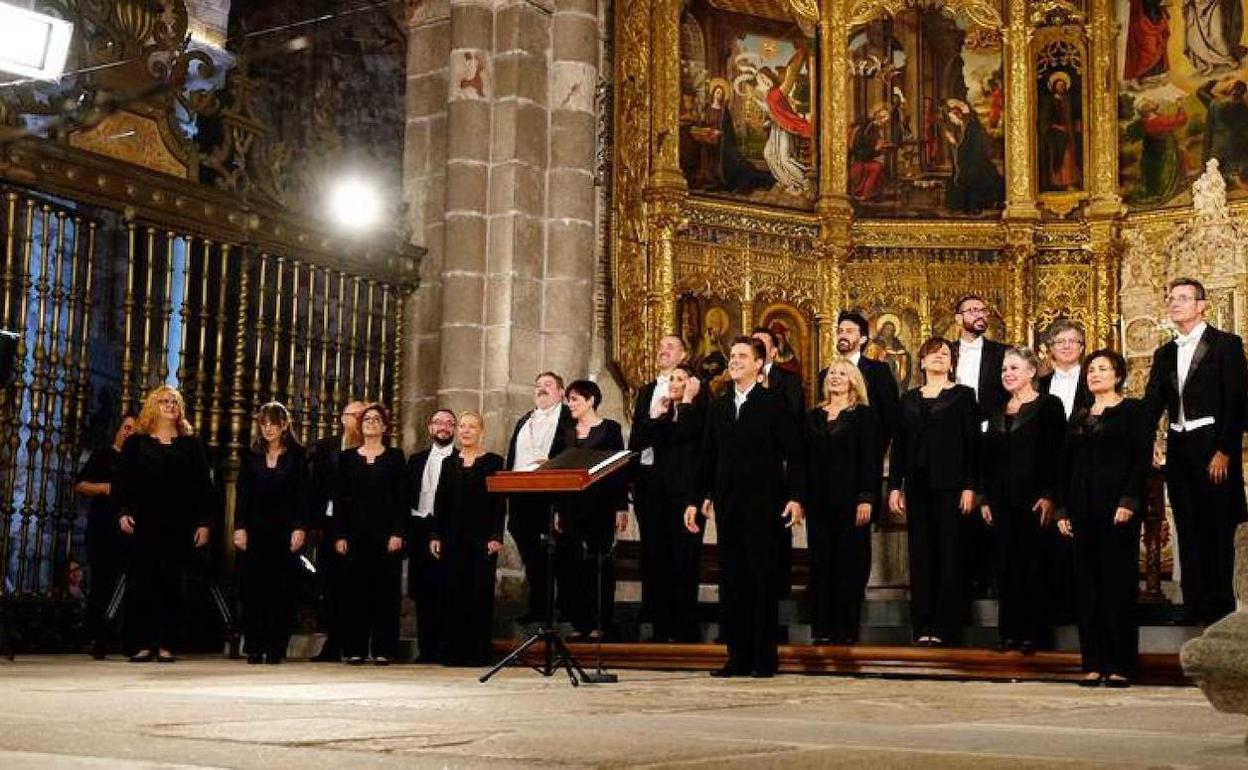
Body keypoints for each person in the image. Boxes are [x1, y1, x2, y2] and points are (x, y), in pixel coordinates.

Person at [686, 336, 805, 677]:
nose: (734, 360)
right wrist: (697, 498)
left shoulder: (774, 403)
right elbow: (707, 457)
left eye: (742, 356)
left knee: (761, 580)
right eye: (732, 356)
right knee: (733, 581)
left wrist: (796, 496)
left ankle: (764, 658)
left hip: (765, 505)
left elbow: (795, 453)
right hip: (728, 506)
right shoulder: (720, 406)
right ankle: (737, 657)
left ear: (758, 364)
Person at [1144, 278, 1247, 625]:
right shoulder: (1165, 352)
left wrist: (1224, 451)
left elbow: (1236, 402)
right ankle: (1194, 606)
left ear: (1202, 305)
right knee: (1187, 527)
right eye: (1171, 298)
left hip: (1213, 447)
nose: (1175, 304)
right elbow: (1152, 403)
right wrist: (1147, 442)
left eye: (1183, 298)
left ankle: (1221, 609)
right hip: (1180, 447)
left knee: (1219, 528)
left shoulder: (1226, 345)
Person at [1059, 350, 1153, 687]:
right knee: (1087, 587)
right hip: (1080, 509)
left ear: (1118, 375)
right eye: (1091, 370)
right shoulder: (1079, 416)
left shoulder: (1133, 411)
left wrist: (1129, 499)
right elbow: (1065, 467)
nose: (1095, 374)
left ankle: (1120, 664)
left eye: (1102, 369)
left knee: (1117, 585)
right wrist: (1063, 510)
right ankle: (1093, 662)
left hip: (1117, 509)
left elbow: (1140, 460)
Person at [115, 385, 215, 663]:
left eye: (174, 401)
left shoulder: (191, 445)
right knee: (141, 582)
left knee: (173, 584)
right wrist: (123, 512)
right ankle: (142, 643)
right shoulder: (137, 443)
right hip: (144, 522)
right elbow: (123, 483)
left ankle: (168, 643)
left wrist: (204, 523)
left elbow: (203, 489)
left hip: (179, 524)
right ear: (152, 407)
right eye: (164, 401)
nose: (170, 406)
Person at [888, 337, 979, 646]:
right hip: (917, 485)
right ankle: (922, 625)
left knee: (949, 554)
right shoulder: (909, 398)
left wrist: (970, 486)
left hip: (951, 485)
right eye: (932, 353)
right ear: (922, 362)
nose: (939, 357)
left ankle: (945, 626)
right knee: (921, 554)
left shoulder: (965, 396)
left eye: (945, 354)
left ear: (952, 362)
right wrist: (894, 487)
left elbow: (972, 446)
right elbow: (899, 446)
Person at [979, 347, 1065, 654]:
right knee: (1006, 568)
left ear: (1032, 372)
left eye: (1014, 368)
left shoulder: (1049, 406)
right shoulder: (996, 410)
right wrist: (985, 498)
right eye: (1004, 369)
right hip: (1001, 501)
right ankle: (1010, 634)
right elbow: (985, 460)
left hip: (1034, 500)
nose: (1008, 374)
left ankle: (1035, 634)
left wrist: (1049, 495)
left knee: (1034, 567)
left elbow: (1057, 455)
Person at [804, 359, 881, 645]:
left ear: (853, 381)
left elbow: (870, 460)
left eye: (842, 374)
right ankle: (821, 629)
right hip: (818, 502)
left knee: (850, 565)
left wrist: (866, 498)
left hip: (851, 502)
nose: (835, 378)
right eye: (832, 374)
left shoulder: (863, 415)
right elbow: (803, 461)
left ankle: (845, 629)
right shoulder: (812, 416)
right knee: (821, 563)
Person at [233, 402, 309, 664]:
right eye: (264, 423)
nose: (268, 428)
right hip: (255, 529)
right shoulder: (250, 455)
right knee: (254, 589)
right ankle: (254, 645)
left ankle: (276, 646)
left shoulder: (298, 456)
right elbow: (242, 494)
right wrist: (239, 527)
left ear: (284, 425)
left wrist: (300, 527)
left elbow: (303, 497)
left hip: (285, 531)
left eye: (273, 423)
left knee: (282, 590)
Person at [332, 403, 407, 665]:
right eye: (367, 420)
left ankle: (384, 648)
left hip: (386, 536)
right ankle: (355, 648)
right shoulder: (347, 458)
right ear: (360, 426)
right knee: (354, 593)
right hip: (354, 535)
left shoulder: (396, 457)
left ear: (385, 427)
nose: (372, 423)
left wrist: (398, 532)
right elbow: (340, 499)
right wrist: (339, 534)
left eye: (377, 420)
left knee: (385, 594)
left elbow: (402, 499)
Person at [429, 412, 506, 666]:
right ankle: (453, 652)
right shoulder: (449, 463)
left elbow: (499, 502)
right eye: (462, 426)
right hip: (452, 537)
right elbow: (440, 500)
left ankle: (477, 652)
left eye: (471, 427)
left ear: (481, 431)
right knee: (452, 592)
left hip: (482, 538)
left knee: (479, 593)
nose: (466, 431)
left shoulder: (494, 461)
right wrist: (436, 534)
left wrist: (496, 534)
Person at [628, 335, 693, 629]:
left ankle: (679, 615)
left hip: (678, 482)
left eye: (671, 347)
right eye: (661, 346)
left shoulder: (693, 390)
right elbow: (637, 439)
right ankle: (652, 608)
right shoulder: (645, 392)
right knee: (651, 547)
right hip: (648, 480)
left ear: (684, 355)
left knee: (679, 549)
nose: (663, 350)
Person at [558, 380, 629, 641]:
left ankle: (601, 623)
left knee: (600, 564)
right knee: (574, 565)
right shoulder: (567, 432)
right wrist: (557, 509)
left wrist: (621, 506)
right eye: (569, 399)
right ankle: (580, 623)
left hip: (601, 506)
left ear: (590, 401)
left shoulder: (611, 429)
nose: (570, 404)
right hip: (571, 506)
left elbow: (619, 470)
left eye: (575, 399)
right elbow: (559, 469)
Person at [505, 372, 576, 624]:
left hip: (551, 494)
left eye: (548, 385)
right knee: (532, 554)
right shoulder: (525, 419)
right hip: (521, 494)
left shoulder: (569, 419)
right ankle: (538, 608)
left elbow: (573, 455)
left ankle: (564, 608)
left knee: (558, 554)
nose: (542, 389)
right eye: (538, 386)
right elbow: (512, 456)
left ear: (561, 392)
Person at [645, 362, 707, 642]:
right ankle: (662, 627)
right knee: (660, 561)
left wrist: (688, 403)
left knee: (685, 562)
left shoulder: (699, 414)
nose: (672, 383)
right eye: (671, 378)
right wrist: (655, 417)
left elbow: (691, 443)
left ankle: (684, 629)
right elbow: (644, 445)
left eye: (680, 379)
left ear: (691, 385)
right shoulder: (664, 413)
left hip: (687, 497)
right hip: (659, 497)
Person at [75, 413, 136, 659]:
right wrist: (105, 488)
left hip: (127, 531)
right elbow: (81, 485)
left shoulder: (137, 461)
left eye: (134, 429)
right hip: (102, 528)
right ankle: (96, 635)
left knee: (125, 585)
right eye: (126, 427)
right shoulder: (103, 455)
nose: (129, 432)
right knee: (101, 582)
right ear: (118, 429)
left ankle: (117, 635)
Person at [308, 401, 365, 661]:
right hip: (329, 524)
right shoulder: (325, 447)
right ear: (342, 419)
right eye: (352, 415)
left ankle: (354, 643)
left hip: (360, 526)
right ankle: (332, 642)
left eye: (362, 415)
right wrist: (316, 523)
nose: (357, 420)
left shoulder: (372, 447)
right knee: (330, 585)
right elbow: (315, 485)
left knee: (355, 586)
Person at [406, 409, 456, 663]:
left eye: (449, 423)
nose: (443, 427)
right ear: (430, 427)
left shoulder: (460, 459)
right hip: (419, 527)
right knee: (422, 590)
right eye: (438, 422)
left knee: (445, 588)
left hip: (447, 528)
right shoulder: (416, 459)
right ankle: (426, 649)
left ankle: (445, 648)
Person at [819, 310, 900, 462]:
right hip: (831, 458)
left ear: (863, 339)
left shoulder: (879, 372)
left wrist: (875, 452)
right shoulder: (825, 374)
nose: (843, 335)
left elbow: (890, 416)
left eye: (849, 331)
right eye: (840, 331)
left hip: (868, 457)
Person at [1038, 319, 1092, 420]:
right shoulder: (1039, 384)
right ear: (1051, 348)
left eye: (1072, 341)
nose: (1066, 346)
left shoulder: (1091, 380)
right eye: (1060, 341)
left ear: (1081, 348)